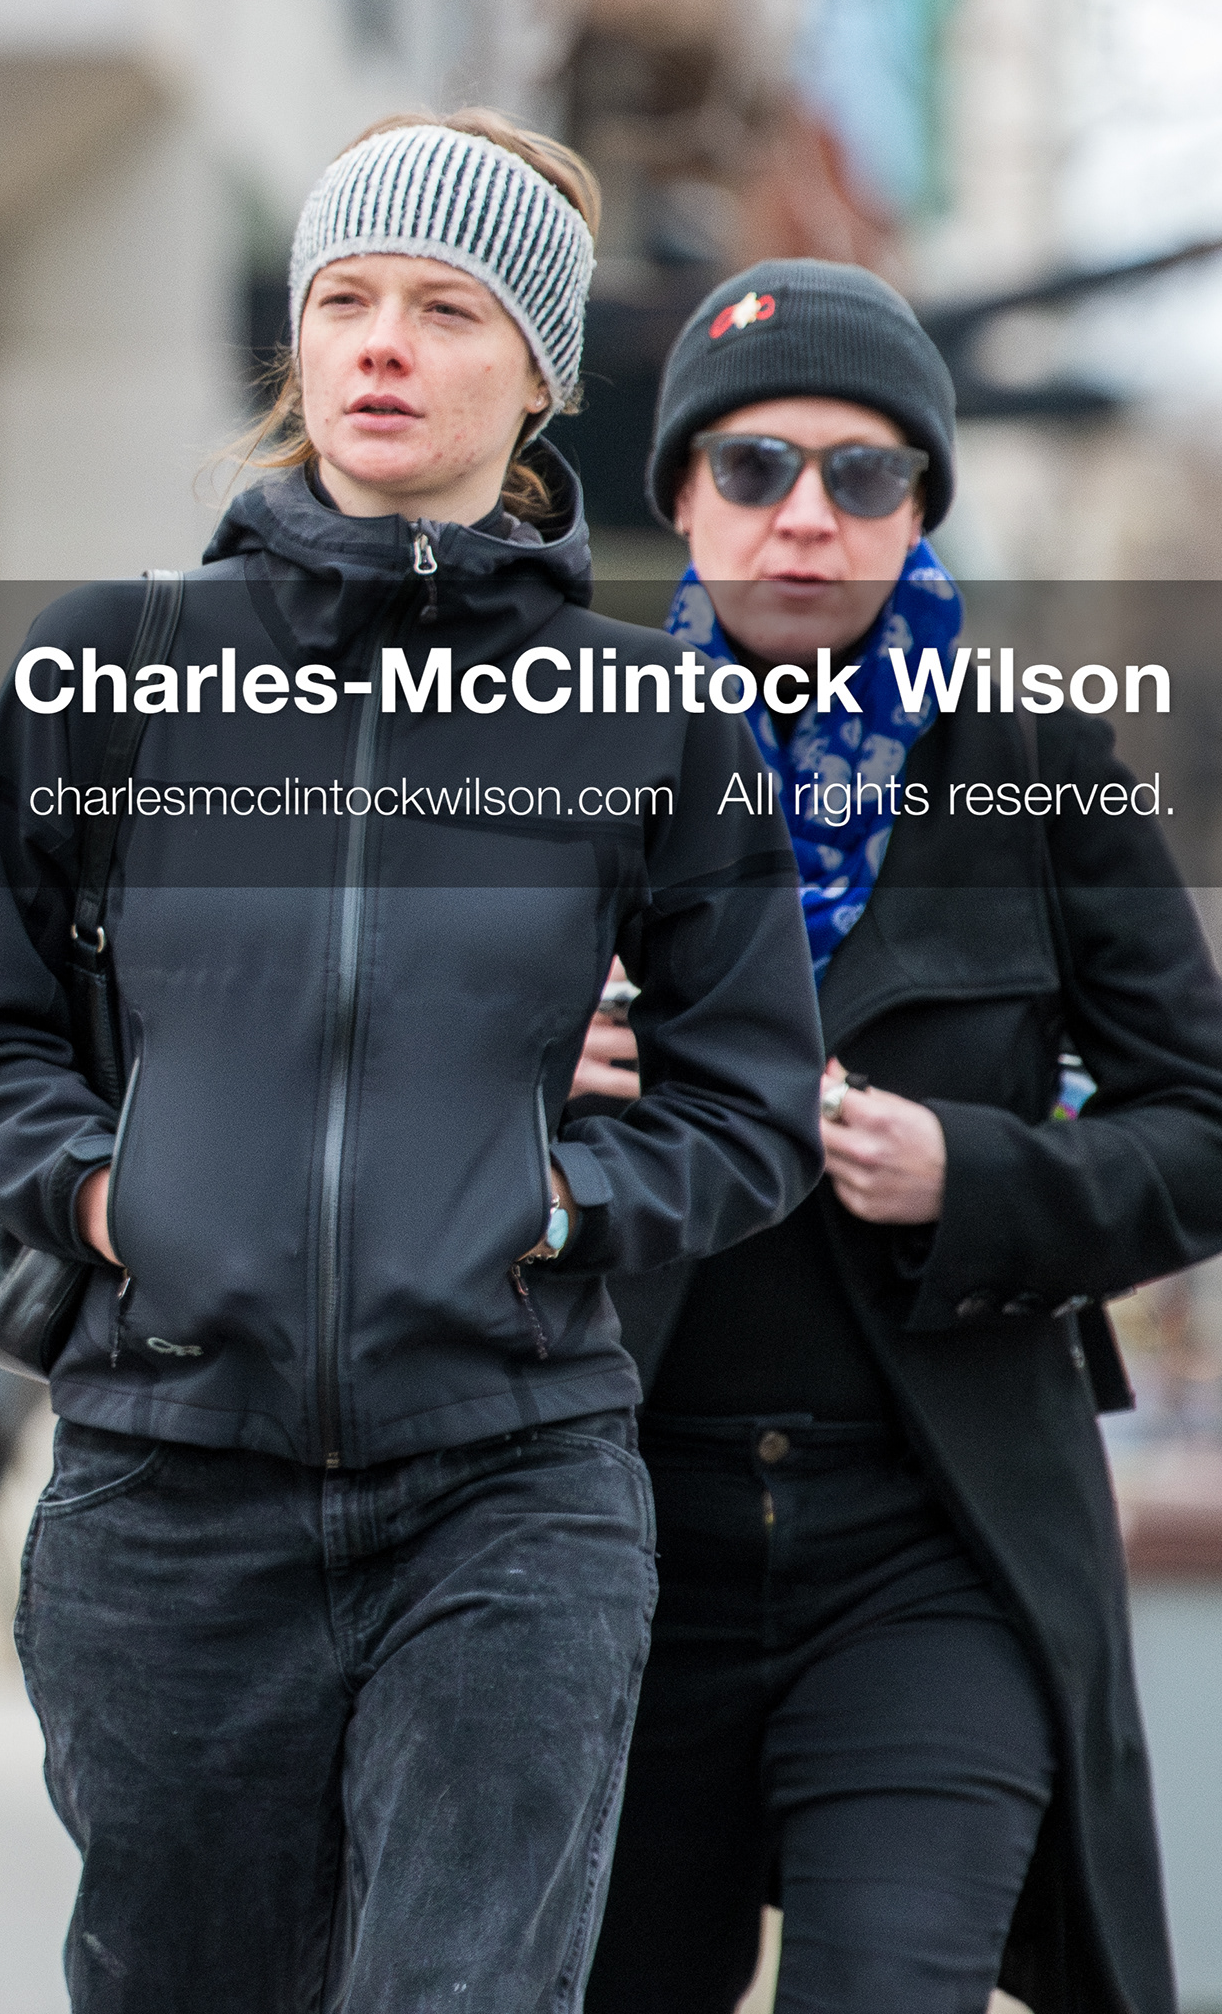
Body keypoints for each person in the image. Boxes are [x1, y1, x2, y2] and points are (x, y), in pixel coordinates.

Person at [0, 113, 827, 2011]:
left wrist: (555, 1205)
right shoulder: (115, 669)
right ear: (300, 350)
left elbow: (749, 1103)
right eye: (344, 301)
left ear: (544, 375)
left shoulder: (645, 722)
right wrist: (107, 1195)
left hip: (510, 1485)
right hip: (168, 1485)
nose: (383, 344)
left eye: (446, 308)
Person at [582, 260, 1222, 2014]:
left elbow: (1206, 1119)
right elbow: (387, 1080)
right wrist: (533, 1059)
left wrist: (981, 1177)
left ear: (924, 499)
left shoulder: (1037, 761)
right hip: (617, 1535)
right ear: (686, 499)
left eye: (865, 475)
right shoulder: (572, 761)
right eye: (755, 469)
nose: (808, 517)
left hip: (936, 1538)